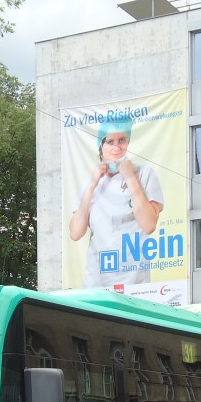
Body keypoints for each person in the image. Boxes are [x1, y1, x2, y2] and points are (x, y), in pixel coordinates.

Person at [68, 117, 164, 289]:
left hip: (134, 283)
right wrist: (91, 186)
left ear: (128, 143)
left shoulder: (144, 173)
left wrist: (129, 176)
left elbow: (149, 224)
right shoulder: (91, 183)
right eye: (110, 141)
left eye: (122, 140)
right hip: (96, 283)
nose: (116, 147)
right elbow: (75, 233)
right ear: (101, 146)